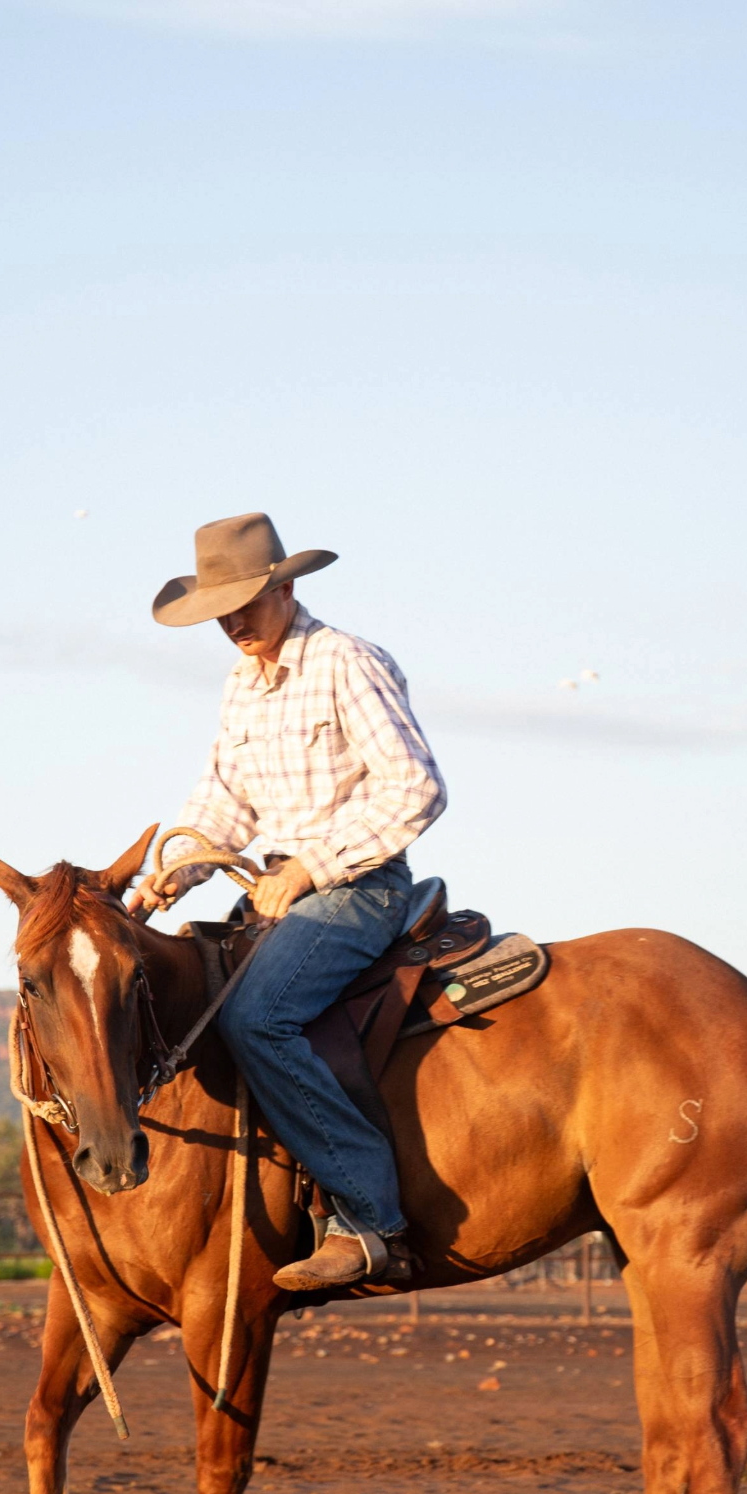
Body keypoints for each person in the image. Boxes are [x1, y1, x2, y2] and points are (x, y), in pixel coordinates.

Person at [126, 513, 449, 1293]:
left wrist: (309, 867)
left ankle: (369, 1219)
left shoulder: (345, 662)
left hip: (358, 886)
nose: (233, 622)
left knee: (255, 1017)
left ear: (287, 586)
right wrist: (179, 865)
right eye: (220, 611)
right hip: (271, 890)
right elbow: (225, 799)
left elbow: (416, 786)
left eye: (245, 603)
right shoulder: (241, 684)